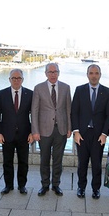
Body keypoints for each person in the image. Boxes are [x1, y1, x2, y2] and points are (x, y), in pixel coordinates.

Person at [71, 64, 109, 199]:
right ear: (87, 74)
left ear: (100, 75)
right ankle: (81, 187)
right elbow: (74, 112)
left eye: (96, 73)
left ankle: (96, 189)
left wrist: (104, 134)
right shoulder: (79, 90)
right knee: (82, 163)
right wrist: (76, 131)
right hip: (82, 134)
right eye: (91, 73)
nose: (94, 76)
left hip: (98, 135)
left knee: (96, 164)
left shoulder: (107, 92)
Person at [31, 63, 71, 196]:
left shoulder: (66, 87)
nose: (53, 74)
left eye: (55, 72)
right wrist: (35, 131)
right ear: (46, 73)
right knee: (44, 159)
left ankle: (56, 184)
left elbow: (68, 110)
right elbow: (34, 111)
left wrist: (69, 128)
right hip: (43, 130)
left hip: (61, 129)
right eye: (50, 72)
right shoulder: (38, 88)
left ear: (59, 73)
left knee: (58, 159)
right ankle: (44, 185)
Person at [0, 69, 33, 195]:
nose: (16, 80)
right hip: (6, 134)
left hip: (24, 134)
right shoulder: (1, 94)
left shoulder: (30, 94)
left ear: (23, 79)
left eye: (19, 78)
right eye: (14, 78)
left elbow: (35, 115)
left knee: (23, 162)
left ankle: (22, 185)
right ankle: (8, 185)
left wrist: (32, 132)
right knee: (7, 162)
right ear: (9, 79)